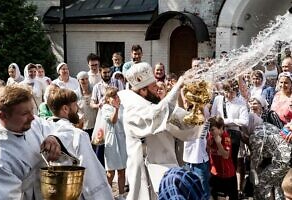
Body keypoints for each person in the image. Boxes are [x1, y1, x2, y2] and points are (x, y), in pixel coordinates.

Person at [118, 62, 205, 200]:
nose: (158, 90)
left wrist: (198, 106)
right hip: (145, 175)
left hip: (165, 170)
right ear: (142, 91)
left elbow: (190, 128)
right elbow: (155, 116)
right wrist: (178, 86)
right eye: (154, 87)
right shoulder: (133, 110)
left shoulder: (157, 107)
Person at [0, 85, 61, 199]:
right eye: (25, 114)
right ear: (3, 116)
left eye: (32, 111)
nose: (32, 117)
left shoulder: (33, 123)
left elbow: (59, 128)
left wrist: (53, 138)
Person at [47, 87, 114, 200]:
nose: (77, 108)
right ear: (65, 109)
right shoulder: (78, 135)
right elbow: (92, 174)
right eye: (75, 105)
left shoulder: (45, 130)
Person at [102, 86, 127, 200]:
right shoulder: (106, 108)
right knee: (110, 171)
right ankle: (108, 195)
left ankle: (121, 195)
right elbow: (113, 121)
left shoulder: (122, 107)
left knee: (122, 170)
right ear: (108, 99)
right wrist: (116, 109)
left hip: (122, 140)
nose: (116, 97)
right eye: (112, 96)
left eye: (116, 95)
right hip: (111, 141)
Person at [208, 116, 238, 200]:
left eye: (213, 129)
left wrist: (218, 143)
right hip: (215, 173)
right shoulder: (210, 136)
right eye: (209, 130)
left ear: (221, 128)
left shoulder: (226, 138)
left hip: (227, 175)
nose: (211, 132)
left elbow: (225, 155)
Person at [75, 71, 97, 137]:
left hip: (95, 122)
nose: (85, 81)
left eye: (86, 78)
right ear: (78, 81)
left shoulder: (94, 90)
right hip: (83, 124)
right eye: (82, 79)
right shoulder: (75, 93)